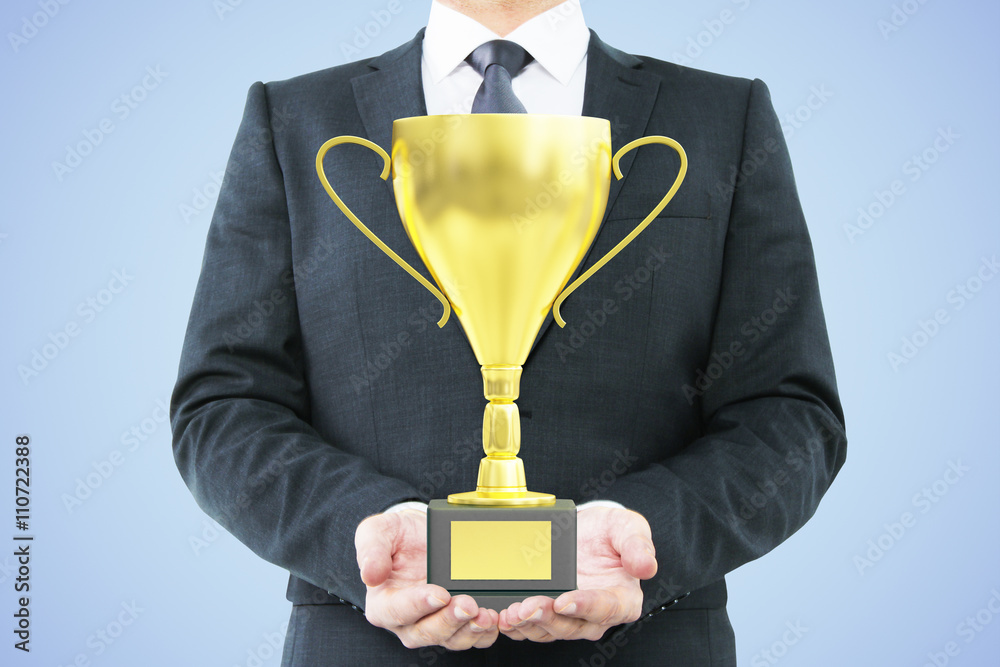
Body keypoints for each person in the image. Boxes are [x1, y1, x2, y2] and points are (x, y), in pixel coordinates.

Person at [170, 0, 847, 664]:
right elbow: (224, 405)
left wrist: (649, 534)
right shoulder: (295, 121)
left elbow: (790, 415)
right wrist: (362, 537)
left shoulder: (721, 120)